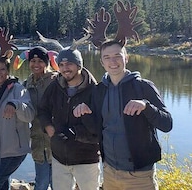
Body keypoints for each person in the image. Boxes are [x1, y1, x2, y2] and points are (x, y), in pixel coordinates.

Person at [73, 40, 173, 190]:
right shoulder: (99, 90)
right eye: (107, 57)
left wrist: (146, 106)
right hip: (109, 172)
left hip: (140, 176)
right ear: (101, 62)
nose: (112, 61)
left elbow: (167, 124)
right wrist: (84, 113)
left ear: (126, 58)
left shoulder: (143, 87)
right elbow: (96, 130)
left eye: (117, 56)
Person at [38, 47, 101, 190]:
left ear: (79, 65)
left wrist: (75, 134)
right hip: (59, 157)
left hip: (86, 159)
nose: (65, 68)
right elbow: (42, 110)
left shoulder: (95, 90)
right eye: (61, 65)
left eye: (69, 64)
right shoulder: (55, 86)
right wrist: (49, 128)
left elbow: (100, 127)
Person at [0, 52, 35, 190]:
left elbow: (29, 114)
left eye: (2, 69)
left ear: (8, 70)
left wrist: (15, 104)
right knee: (2, 185)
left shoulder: (18, 89)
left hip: (12, 150)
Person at [21, 46, 57, 190]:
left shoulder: (56, 81)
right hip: (37, 141)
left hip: (56, 141)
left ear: (47, 63)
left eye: (40, 61)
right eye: (33, 60)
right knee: (41, 182)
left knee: (58, 183)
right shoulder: (26, 83)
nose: (36, 64)